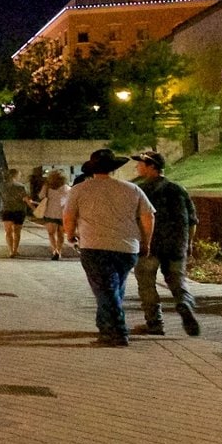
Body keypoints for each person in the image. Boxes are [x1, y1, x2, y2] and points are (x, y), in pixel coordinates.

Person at [60, 148, 154, 346]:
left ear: (92, 169)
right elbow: (148, 216)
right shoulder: (132, 189)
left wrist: (70, 235)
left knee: (105, 290)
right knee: (115, 287)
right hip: (127, 247)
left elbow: (69, 217)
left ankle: (118, 331)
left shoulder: (79, 190)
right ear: (112, 169)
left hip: (94, 246)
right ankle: (104, 327)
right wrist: (146, 241)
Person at [129, 150, 199, 337]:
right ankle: (184, 303)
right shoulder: (178, 189)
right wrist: (188, 243)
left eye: (140, 164)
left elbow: (134, 218)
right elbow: (192, 220)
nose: (137, 166)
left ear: (151, 166)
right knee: (178, 281)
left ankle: (154, 323)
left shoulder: (140, 190)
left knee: (146, 285)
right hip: (176, 244)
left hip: (149, 245)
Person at [35, 168, 71, 259]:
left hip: (50, 213)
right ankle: (59, 251)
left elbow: (41, 196)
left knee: (51, 233)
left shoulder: (47, 187)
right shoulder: (67, 188)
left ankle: (54, 250)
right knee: (61, 234)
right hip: (63, 213)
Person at [0, 168, 32, 258]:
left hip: (6, 210)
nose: (20, 176)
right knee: (17, 231)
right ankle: (15, 250)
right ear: (15, 176)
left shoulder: (1, 186)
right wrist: (34, 208)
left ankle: (10, 250)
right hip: (19, 210)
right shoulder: (21, 186)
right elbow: (26, 199)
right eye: (19, 175)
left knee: (8, 231)